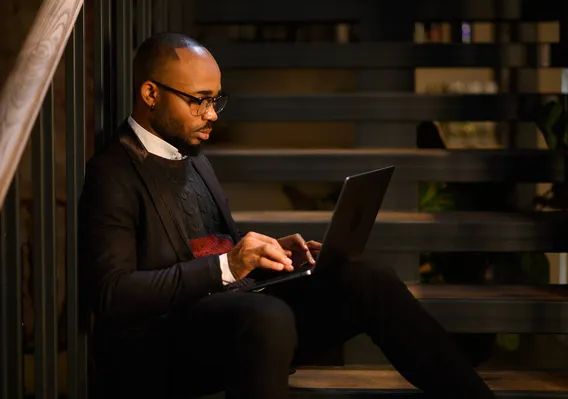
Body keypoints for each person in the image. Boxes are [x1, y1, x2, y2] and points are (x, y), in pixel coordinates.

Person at [79, 32, 494, 399]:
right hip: (162, 344)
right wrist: (228, 265)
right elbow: (112, 295)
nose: (212, 114)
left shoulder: (193, 156)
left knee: (366, 277)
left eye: (216, 99)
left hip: (231, 315)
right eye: (198, 101)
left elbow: (215, 251)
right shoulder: (111, 173)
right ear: (150, 94)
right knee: (267, 316)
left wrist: (270, 260)